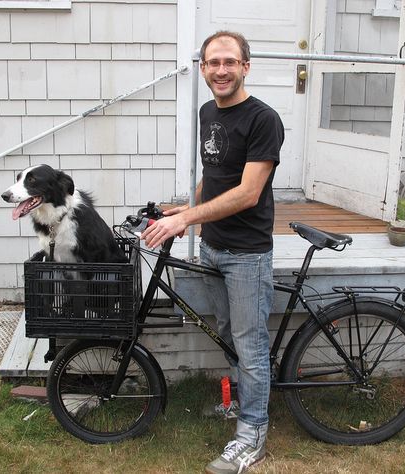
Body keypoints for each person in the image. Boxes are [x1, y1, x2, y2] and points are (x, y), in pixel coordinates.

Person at [141, 30, 284, 474]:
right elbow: (216, 174)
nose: (220, 70)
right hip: (214, 246)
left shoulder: (263, 119)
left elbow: (247, 192)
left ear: (246, 66)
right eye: (212, 63)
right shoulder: (208, 111)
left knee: (250, 345)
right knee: (229, 336)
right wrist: (190, 207)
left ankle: (252, 434)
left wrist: (186, 219)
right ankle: (242, 406)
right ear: (202, 69)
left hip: (246, 253)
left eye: (229, 62)